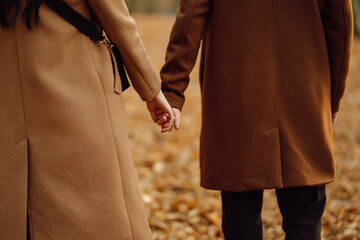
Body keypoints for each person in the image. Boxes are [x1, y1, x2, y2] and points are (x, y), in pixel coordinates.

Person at [159, 0, 353, 239]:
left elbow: (191, 15)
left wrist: (172, 89)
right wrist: (331, 98)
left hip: (237, 96)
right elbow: (340, 25)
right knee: (305, 213)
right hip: (304, 94)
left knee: (241, 213)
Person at [0, 0, 173, 239]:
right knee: (96, 208)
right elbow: (117, 19)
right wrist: (151, 90)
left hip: (10, 98)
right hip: (76, 89)